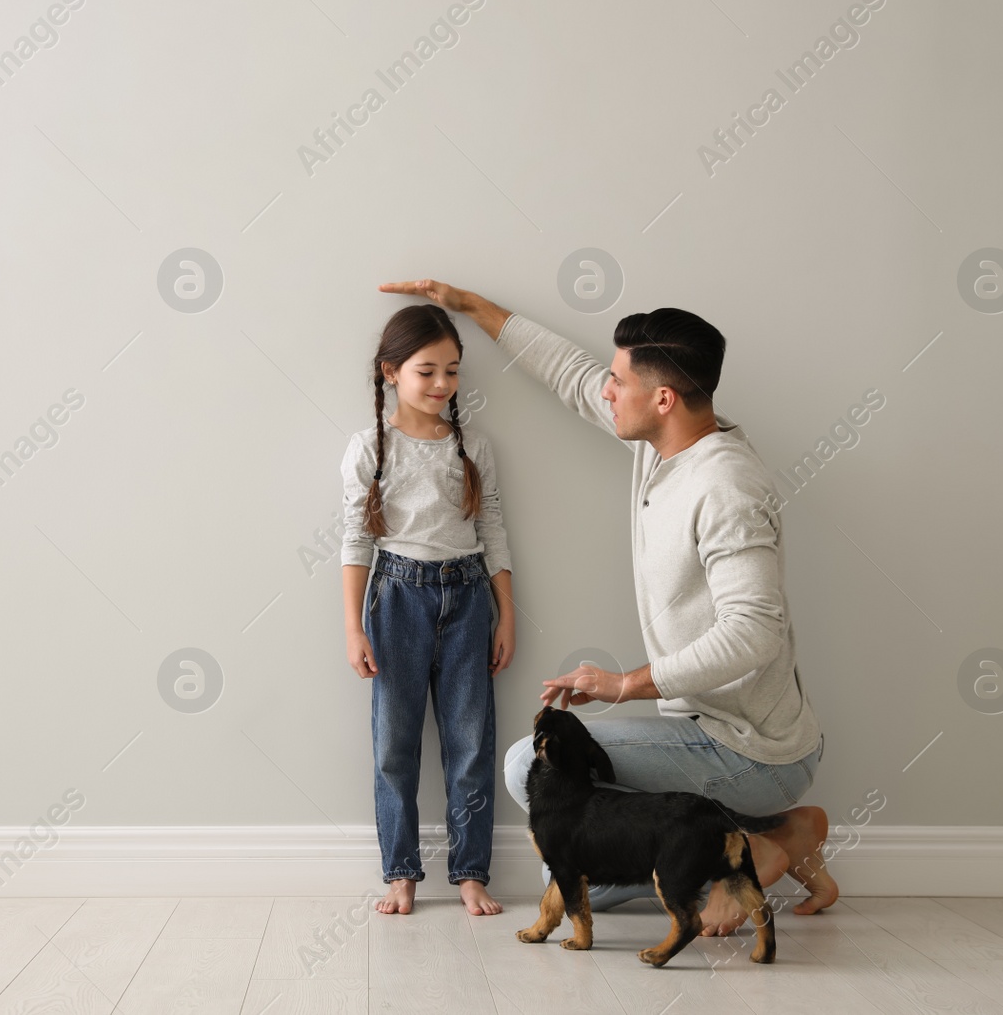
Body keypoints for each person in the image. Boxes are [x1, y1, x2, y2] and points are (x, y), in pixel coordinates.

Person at [379, 279, 839, 935]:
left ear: (663, 397)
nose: (605, 389)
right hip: (708, 735)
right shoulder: (660, 443)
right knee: (564, 870)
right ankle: (771, 833)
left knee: (529, 771)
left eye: (618, 381)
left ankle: (763, 847)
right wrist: (471, 306)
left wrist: (626, 684)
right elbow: (570, 375)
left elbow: (753, 633)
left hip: (751, 750)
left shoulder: (726, 485)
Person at [339, 303, 518, 916]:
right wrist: (354, 627)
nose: (442, 384)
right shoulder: (369, 449)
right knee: (395, 744)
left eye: (452, 371)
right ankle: (401, 872)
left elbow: (492, 528)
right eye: (426, 371)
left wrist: (507, 614)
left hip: (468, 601)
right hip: (395, 601)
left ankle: (470, 871)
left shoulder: (473, 447)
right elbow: (355, 541)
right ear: (391, 372)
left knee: (470, 742)